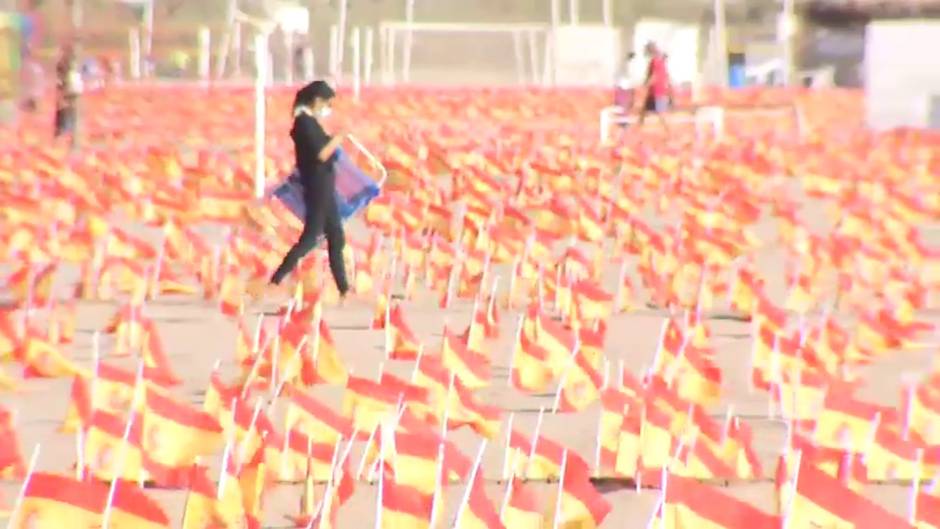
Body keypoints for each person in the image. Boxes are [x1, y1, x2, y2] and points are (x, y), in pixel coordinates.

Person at [253, 80, 350, 301]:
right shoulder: (303, 123)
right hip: (316, 186)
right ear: (317, 101)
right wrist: (339, 138)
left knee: (336, 236)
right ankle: (276, 279)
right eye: (327, 103)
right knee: (310, 237)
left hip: (325, 185)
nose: (328, 108)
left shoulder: (311, 122)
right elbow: (322, 154)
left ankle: (344, 288)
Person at [637, 41, 672, 131]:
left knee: (661, 113)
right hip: (655, 91)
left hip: (658, 91)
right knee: (644, 110)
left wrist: (646, 85)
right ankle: (638, 128)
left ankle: (668, 131)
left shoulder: (655, 61)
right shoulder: (659, 60)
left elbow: (654, 76)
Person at [54, 44, 82, 143]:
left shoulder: (65, 64)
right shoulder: (72, 64)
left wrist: (61, 91)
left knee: (66, 110)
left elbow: (61, 79)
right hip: (72, 88)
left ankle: (65, 132)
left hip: (68, 89)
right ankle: (68, 132)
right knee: (69, 110)